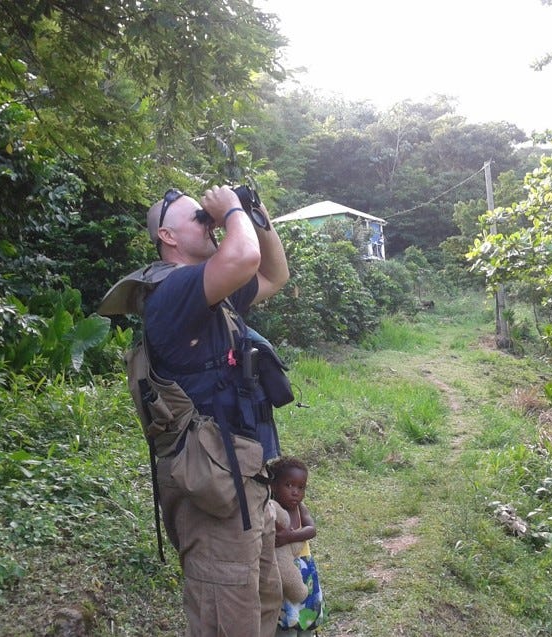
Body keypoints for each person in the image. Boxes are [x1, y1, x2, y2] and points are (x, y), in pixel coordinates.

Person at [144, 185, 289, 637]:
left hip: (244, 479)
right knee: (225, 619)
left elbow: (273, 273)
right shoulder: (172, 293)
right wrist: (228, 212)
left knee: (261, 605)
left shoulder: (213, 295)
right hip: (211, 491)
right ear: (167, 235)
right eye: (199, 217)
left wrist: (254, 214)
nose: (209, 222)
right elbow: (243, 258)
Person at [270, 456, 325, 636]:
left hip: (305, 569)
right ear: (273, 486)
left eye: (301, 487)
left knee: (306, 617)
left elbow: (312, 530)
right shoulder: (272, 509)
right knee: (285, 620)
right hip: (283, 575)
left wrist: (290, 536)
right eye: (289, 485)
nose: (295, 492)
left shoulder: (300, 508)